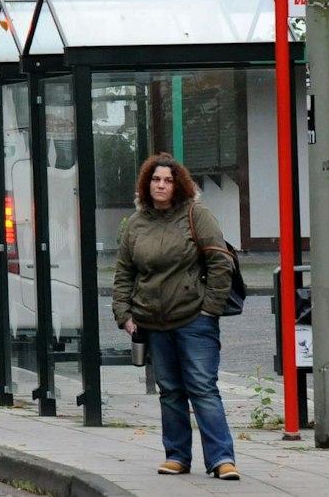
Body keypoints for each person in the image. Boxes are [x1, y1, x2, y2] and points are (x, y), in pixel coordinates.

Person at [111, 153, 241, 481]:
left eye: (168, 180)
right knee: (169, 390)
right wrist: (123, 314)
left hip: (194, 319)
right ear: (147, 183)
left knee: (202, 387)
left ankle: (222, 459)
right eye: (156, 179)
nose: (161, 185)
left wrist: (209, 309)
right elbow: (124, 272)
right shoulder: (136, 225)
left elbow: (220, 264)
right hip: (152, 322)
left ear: (178, 184)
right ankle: (177, 456)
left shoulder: (198, 215)